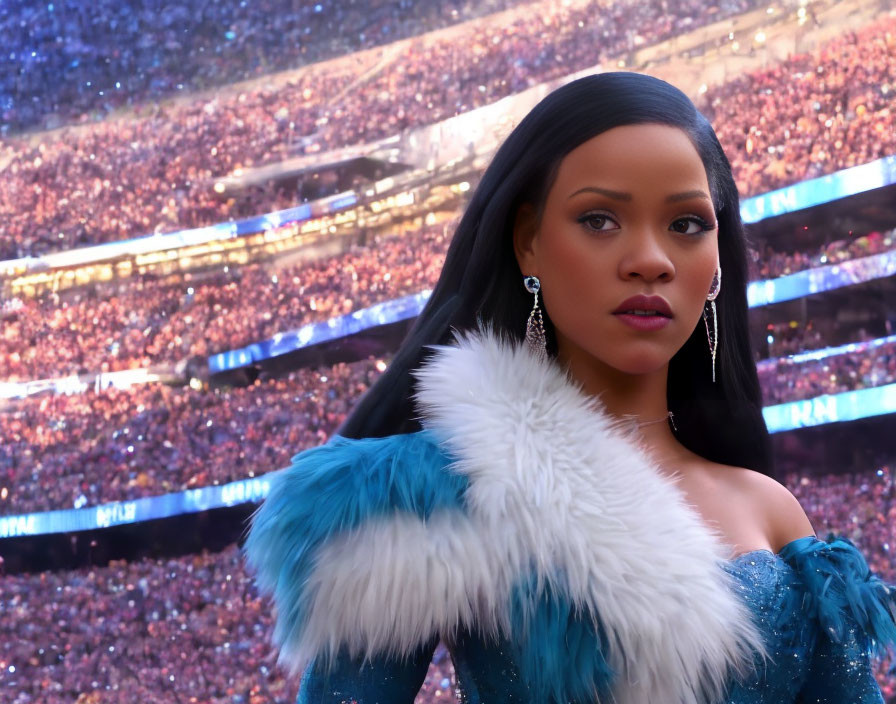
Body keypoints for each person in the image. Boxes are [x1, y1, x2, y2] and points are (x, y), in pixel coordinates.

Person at [242, 72, 896, 703]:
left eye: (688, 224)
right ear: (528, 243)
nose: (651, 259)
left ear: (719, 258)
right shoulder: (429, 494)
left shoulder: (771, 510)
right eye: (600, 220)